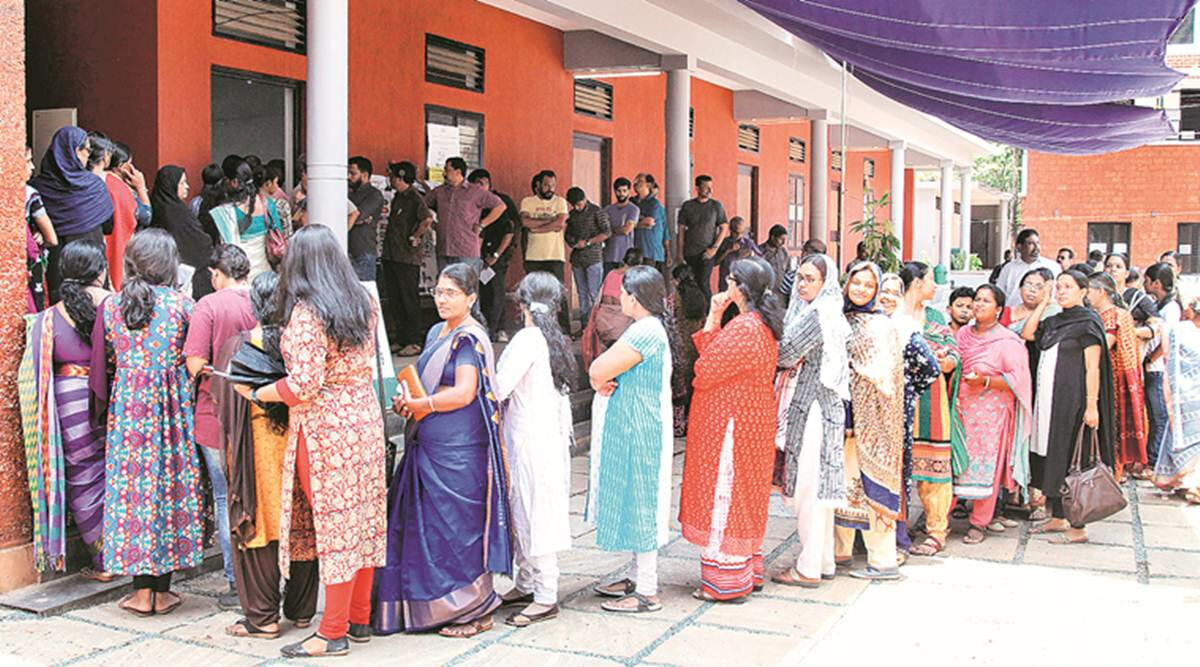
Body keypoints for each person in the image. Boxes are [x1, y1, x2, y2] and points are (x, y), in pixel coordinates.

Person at [235, 225, 387, 658]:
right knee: (363, 522)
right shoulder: (364, 301)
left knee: (336, 527)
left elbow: (303, 385)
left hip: (324, 431)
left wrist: (259, 392)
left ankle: (332, 631)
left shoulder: (307, 313)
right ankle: (359, 618)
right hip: (364, 420)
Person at [377, 263, 512, 638]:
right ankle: (429, 606)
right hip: (428, 444)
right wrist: (409, 402)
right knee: (429, 532)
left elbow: (465, 393)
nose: (441, 298)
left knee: (458, 530)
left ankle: (474, 610)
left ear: (471, 297)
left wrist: (425, 406)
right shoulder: (438, 332)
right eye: (438, 291)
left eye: (451, 292)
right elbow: (425, 383)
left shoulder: (469, 338)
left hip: (460, 451)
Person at [89, 229, 201, 616]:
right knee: (167, 488)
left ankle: (141, 592)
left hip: (129, 408)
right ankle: (162, 590)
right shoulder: (183, 306)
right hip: (171, 408)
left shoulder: (111, 307)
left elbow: (103, 364)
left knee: (133, 492)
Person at [212, 271, 319, 640]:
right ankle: (303, 611)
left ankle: (263, 618)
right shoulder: (306, 344)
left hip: (256, 448)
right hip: (301, 441)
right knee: (302, 523)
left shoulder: (239, 346)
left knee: (259, 526)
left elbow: (223, 398)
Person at [678, 258, 782, 601]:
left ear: (738, 286)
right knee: (745, 495)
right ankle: (746, 572)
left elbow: (704, 368)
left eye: (729, 282)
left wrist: (714, 318)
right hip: (751, 422)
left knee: (726, 494)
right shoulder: (758, 325)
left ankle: (725, 583)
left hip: (732, 425)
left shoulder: (745, 327)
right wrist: (714, 316)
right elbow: (713, 356)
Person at [18, 241, 111, 580]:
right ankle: (125, 553)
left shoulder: (49, 317)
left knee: (83, 478)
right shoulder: (112, 306)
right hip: (109, 397)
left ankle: (103, 562)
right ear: (99, 271)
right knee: (113, 474)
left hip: (68, 401)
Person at [587, 265, 675, 613]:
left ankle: (647, 591)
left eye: (622, 292)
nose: (619, 297)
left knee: (642, 503)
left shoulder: (645, 332)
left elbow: (597, 370)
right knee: (637, 499)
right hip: (638, 425)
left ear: (634, 297)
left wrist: (597, 380)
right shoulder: (647, 328)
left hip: (642, 429)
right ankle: (638, 576)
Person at [492, 272, 577, 627]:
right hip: (545, 438)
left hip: (530, 440)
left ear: (522, 304)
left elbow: (499, 387)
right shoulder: (552, 337)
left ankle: (545, 594)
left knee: (533, 512)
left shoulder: (527, 338)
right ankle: (526, 582)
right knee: (527, 510)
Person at [183, 244, 257, 609]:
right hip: (260, 410)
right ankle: (264, 577)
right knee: (259, 492)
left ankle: (235, 583)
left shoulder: (208, 305)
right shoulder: (262, 297)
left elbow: (195, 362)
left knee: (227, 496)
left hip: (215, 413)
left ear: (215, 274)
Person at [1021, 270, 1116, 545]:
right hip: (1050, 401)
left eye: (1067, 287)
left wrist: (1091, 406)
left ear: (1083, 292)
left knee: (1074, 460)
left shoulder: (1087, 323)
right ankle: (1057, 517)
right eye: (1058, 287)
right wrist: (1042, 302)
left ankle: (1078, 527)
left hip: (1074, 402)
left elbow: (1092, 368)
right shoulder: (1054, 321)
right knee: (1053, 455)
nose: (1061, 291)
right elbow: (1028, 333)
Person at [771, 254, 849, 588]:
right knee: (819, 488)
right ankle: (823, 560)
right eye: (799, 278)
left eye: (810, 279)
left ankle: (807, 568)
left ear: (825, 282)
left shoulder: (817, 315)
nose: (802, 285)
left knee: (809, 490)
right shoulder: (829, 311)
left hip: (814, 407)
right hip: (825, 406)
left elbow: (785, 354)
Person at [834, 261, 908, 580]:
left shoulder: (883, 326)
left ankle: (882, 560)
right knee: (842, 487)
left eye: (868, 285)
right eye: (856, 283)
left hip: (874, 423)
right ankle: (839, 553)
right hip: (842, 420)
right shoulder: (840, 319)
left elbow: (885, 378)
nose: (861, 289)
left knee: (871, 488)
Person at [954, 284, 1033, 545]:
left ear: (999, 310)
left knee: (987, 466)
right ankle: (940, 518)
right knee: (955, 462)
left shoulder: (1007, 340)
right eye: (977, 299)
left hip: (992, 416)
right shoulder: (963, 334)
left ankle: (979, 522)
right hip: (961, 410)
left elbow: (1018, 378)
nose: (978, 305)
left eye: (986, 301)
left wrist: (986, 381)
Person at [900, 262, 965, 557]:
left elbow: (953, 353)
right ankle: (894, 528)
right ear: (915, 283)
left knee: (934, 465)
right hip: (897, 400)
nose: (934, 286)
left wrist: (944, 360)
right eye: (929, 280)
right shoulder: (892, 313)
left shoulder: (936, 316)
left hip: (931, 399)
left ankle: (936, 529)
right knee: (895, 466)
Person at [876, 273, 939, 560]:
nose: (886, 297)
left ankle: (898, 541)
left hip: (896, 413)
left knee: (895, 474)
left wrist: (908, 390)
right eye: (882, 291)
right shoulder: (866, 323)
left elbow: (930, 368)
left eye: (893, 292)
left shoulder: (906, 329)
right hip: (869, 414)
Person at [32, 126, 113, 302]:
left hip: (58, 273)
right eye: (86, 149)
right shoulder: (94, 186)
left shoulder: (38, 188)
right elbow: (108, 225)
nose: (88, 155)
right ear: (74, 151)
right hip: (92, 268)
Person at [1088, 273, 1148, 481]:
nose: (1086, 295)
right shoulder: (1097, 314)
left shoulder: (1114, 315)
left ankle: (1113, 474)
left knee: (1112, 426)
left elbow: (1106, 343)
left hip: (1111, 379)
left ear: (1101, 292)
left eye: (1089, 290)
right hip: (1100, 376)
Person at [382, 161, 434, 356]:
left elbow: (426, 218)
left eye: (393, 176)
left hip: (407, 257)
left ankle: (414, 340)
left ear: (401, 177)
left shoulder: (414, 197)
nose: (391, 179)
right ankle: (400, 338)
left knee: (408, 298)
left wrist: (416, 236)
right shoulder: (397, 197)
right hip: (391, 254)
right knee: (395, 298)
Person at [1153, 291, 1200, 502]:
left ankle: (1191, 483)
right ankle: (1188, 484)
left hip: (1187, 393)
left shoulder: (1180, 330)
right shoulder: (1181, 330)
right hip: (1184, 393)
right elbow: (1170, 356)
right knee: (1187, 436)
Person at [206, 159, 285, 280]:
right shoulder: (267, 204)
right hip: (266, 274)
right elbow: (278, 231)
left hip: (238, 276)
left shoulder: (225, 212)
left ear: (234, 182)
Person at [426, 157, 504, 272]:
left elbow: (500, 206)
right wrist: (432, 223)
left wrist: (482, 224)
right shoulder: (439, 191)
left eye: (447, 170)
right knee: (445, 287)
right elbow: (423, 205)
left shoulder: (475, 191)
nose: (444, 173)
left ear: (458, 172)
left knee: (466, 287)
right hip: (444, 249)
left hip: (466, 251)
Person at [150, 165, 217, 299]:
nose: (187, 187)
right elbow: (198, 243)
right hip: (188, 274)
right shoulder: (176, 213)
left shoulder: (160, 206)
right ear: (171, 185)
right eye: (182, 183)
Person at [468, 168, 518, 342]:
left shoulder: (500, 202)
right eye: (476, 184)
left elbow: (511, 229)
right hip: (475, 254)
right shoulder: (470, 202)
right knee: (483, 292)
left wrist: (498, 254)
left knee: (497, 292)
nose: (479, 187)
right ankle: (485, 328)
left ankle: (497, 329)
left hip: (498, 253)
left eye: (483, 183)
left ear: (490, 184)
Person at [520, 170, 571, 332]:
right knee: (533, 293)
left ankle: (563, 328)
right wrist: (551, 221)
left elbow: (560, 223)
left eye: (553, 185)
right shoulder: (528, 202)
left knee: (558, 293)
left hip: (555, 256)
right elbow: (525, 222)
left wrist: (539, 227)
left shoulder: (560, 202)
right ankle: (532, 325)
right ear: (538, 185)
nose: (550, 188)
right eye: (546, 185)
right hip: (533, 256)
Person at [1145, 262, 1181, 469]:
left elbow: (1168, 340)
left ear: (1156, 283)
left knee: (1159, 415)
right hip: (1153, 366)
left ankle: (1156, 459)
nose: (1145, 285)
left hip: (1158, 368)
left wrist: (1151, 358)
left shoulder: (1171, 308)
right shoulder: (1159, 305)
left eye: (1147, 281)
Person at [582, 247, 639, 369]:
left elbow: (600, 298)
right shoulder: (633, 279)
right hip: (620, 325)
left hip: (602, 321)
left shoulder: (611, 274)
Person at [565, 186, 612, 331]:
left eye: (579, 204)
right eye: (574, 205)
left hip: (593, 257)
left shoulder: (597, 212)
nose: (577, 207)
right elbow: (568, 235)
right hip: (578, 259)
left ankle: (598, 326)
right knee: (582, 294)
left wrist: (588, 242)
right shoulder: (572, 215)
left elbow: (607, 232)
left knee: (594, 293)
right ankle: (585, 326)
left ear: (585, 199)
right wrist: (573, 242)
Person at [102, 142, 147, 290]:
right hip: (121, 244)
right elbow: (146, 215)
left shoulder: (97, 181)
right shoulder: (119, 188)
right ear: (122, 166)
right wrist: (140, 186)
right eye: (130, 164)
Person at [671, 263, 708, 438]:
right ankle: (692, 421)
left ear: (677, 279)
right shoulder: (700, 295)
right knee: (693, 383)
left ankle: (678, 425)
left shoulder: (677, 296)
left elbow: (671, 318)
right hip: (696, 343)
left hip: (680, 343)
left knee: (679, 386)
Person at [678, 175, 729, 301]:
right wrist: (679, 253)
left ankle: (709, 315)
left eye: (711, 187)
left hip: (707, 253)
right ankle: (692, 315)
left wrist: (714, 249)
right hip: (689, 252)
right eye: (706, 187)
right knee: (689, 284)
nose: (710, 190)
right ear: (697, 188)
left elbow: (724, 227)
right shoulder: (688, 206)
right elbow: (681, 231)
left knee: (703, 283)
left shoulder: (716, 206)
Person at [25, 146, 57, 312]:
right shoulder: (30, 194)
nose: (32, 167)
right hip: (29, 270)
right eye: (28, 161)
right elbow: (52, 238)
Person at [995, 229, 1061, 306]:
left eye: (1038, 243)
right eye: (1030, 243)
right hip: (1014, 314)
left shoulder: (1052, 266)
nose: (1036, 247)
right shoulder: (1008, 268)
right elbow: (999, 294)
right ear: (1019, 247)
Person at [347, 156, 385, 281]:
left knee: (365, 291)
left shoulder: (374, 194)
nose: (349, 177)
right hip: (346, 250)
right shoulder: (347, 193)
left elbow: (357, 215)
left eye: (353, 173)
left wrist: (354, 217)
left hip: (363, 250)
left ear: (364, 175)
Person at [633, 174, 670, 275]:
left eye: (640, 180)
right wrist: (641, 221)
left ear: (648, 185)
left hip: (650, 251)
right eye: (635, 180)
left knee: (648, 281)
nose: (636, 183)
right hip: (634, 249)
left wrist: (633, 225)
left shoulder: (654, 203)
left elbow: (649, 222)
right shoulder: (632, 202)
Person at [715, 216, 763, 293]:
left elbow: (761, 259)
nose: (739, 235)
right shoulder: (724, 243)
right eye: (736, 233)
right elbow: (715, 262)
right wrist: (728, 251)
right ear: (731, 230)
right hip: (726, 283)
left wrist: (751, 254)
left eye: (742, 232)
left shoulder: (749, 243)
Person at [602, 177, 639, 275]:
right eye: (619, 191)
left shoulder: (633, 209)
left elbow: (626, 230)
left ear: (629, 191)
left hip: (626, 257)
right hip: (608, 255)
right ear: (614, 191)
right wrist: (617, 229)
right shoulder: (607, 210)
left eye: (624, 191)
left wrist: (610, 230)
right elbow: (602, 230)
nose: (622, 194)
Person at [759, 224, 790, 296]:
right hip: (765, 294)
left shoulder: (783, 252)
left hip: (781, 294)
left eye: (785, 239)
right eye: (781, 239)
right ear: (773, 237)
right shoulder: (760, 251)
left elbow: (788, 272)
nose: (783, 242)